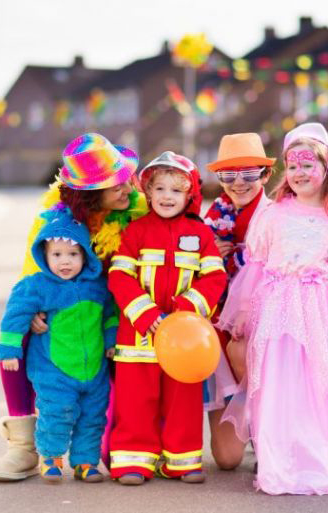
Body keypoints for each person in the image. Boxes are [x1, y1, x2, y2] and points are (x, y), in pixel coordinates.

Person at [218, 123, 328, 495]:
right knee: (277, 386)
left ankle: (315, 463)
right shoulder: (274, 215)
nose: (300, 173)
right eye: (293, 166)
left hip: (318, 316)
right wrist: (242, 310)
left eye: (309, 165)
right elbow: (256, 266)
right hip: (274, 312)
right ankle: (280, 463)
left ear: (327, 169)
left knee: (316, 388)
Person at [0, 133, 147, 481]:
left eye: (126, 179)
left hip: (118, 313)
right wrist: (33, 315)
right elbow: (31, 279)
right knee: (15, 340)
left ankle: (139, 437)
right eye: (116, 184)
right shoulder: (52, 221)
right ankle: (23, 447)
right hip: (65, 316)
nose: (128, 188)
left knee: (108, 451)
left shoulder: (137, 210)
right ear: (90, 195)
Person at [107, 151, 227, 485]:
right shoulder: (136, 232)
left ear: (190, 195)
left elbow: (215, 278)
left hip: (185, 340)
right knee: (135, 401)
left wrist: (187, 310)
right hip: (139, 337)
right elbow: (119, 277)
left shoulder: (200, 234)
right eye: (159, 189)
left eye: (176, 191)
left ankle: (182, 460)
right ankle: (134, 462)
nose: (166, 197)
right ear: (147, 192)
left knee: (183, 400)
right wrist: (144, 313)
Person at [0, 207, 117, 483]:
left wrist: (110, 341)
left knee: (92, 416)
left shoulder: (97, 286)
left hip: (94, 369)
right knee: (56, 412)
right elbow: (15, 315)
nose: (65, 262)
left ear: (85, 255)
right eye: (57, 255)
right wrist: (9, 350)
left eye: (73, 254)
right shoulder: (37, 286)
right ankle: (50, 457)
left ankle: (85, 462)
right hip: (54, 370)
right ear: (44, 255)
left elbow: (111, 314)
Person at [203, 133, 275, 470]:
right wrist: (206, 257)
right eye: (228, 176)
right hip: (219, 326)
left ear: (264, 175)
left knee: (257, 368)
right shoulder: (210, 219)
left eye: (248, 174)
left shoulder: (277, 218)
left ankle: (270, 438)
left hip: (263, 327)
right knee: (227, 460)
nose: (238, 183)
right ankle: (241, 428)